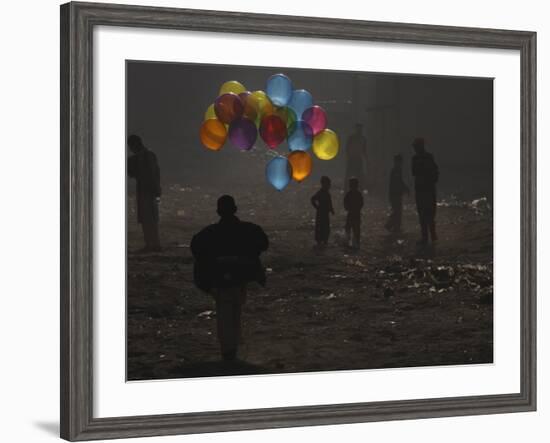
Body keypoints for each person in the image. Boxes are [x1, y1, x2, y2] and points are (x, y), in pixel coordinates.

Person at [190, 195, 269, 361]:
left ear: (218, 211)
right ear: (235, 210)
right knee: (235, 310)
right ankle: (232, 349)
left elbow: (196, 250)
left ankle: (228, 351)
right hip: (240, 277)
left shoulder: (208, 234)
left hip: (220, 278)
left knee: (225, 313)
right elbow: (263, 244)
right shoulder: (249, 230)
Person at [127, 134, 162, 252]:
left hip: (147, 190)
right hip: (148, 190)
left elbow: (151, 174)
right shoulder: (148, 156)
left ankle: (152, 244)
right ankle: (152, 243)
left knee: (148, 219)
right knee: (149, 218)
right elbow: (155, 173)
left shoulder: (145, 157)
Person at [411, 137, 439, 245]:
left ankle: (426, 237)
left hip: (422, 190)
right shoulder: (429, 157)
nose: (414, 148)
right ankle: (432, 235)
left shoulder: (416, 158)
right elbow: (435, 172)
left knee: (423, 213)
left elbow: (414, 172)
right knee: (429, 213)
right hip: (428, 189)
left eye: (415, 146)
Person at [385, 154, 410, 233]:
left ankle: (394, 226)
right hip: (395, 194)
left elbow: (399, 182)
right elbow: (398, 182)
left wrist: (405, 188)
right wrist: (405, 188)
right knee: (397, 211)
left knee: (397, 211)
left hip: (396, 194)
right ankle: (392, 226)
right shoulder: (395, 170)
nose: (400, 164)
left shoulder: (397, 170)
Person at [311, 176, 335, 246]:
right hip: (321, 212)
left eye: (329, 184)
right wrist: (317, 207)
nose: (329, 186)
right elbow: (312, 199)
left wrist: (331, 209)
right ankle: (319, 240)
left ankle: (325, 240)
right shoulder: (320, 193)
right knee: (320, 226)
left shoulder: (327, 193)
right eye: (328, 184)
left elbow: (329, 203)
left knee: (326, 227)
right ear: (323, 184)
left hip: (325, 213)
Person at [344, 123, 368, 192]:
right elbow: (347, 149)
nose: (359, 130)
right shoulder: (351, 138)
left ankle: (360, 188)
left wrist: (366, 159)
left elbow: (364, 150)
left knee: (359, 174)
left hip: (358, 158)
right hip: (352, 158)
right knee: (349, 174)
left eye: (360, 129)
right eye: (358, 128)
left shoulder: (363, 139)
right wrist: (348, 157)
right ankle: (346, 188)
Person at [344, 177, 364, 249]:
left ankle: (352, 242)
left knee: (353, 229)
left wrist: (348, 208)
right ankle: (353, 242)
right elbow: (361, 203)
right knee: (352, 228)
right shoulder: (356, 194)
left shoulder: (350, 194)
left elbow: (345, 203)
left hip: (353, 214)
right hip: (355, 214)